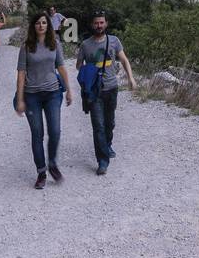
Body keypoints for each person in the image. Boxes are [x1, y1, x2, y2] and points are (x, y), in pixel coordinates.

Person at [14, 12, 72, 189]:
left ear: (48, 25)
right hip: (32, 95)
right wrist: (20, 99)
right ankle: (41, 172)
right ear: (34, 26)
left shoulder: (55, 44)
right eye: (38, 23)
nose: (41, 26)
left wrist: (69, 90)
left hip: (53, 93)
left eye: (44, 23)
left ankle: (52, 164)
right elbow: (21, 74)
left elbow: (61, 67)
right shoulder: (26, 47)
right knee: (37, 134)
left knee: (55, 131)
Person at [75, 11, 136, 175]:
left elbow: (124, 60)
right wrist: (88, 71)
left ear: (106, 24)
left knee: (110, 123)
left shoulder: (114, 41)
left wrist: (130, 78)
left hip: (111, 88)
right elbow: (78, 65)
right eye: (96, 23)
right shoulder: (85, 45)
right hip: (94, 91)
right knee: (98, 126)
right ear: (92, 24)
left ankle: (107, 145)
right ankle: (102, 161)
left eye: (101, 22)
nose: (99, 26)